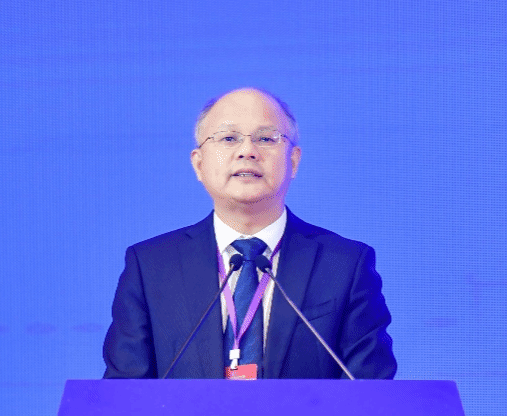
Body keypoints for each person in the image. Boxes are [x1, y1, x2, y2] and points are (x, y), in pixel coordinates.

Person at [102, 88, 396, 379]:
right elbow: (124, 392)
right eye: (228, 138)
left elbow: (369, 390)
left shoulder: (345, 265)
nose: (247, 151)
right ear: (199, 163)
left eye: (266, 139)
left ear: (293, 161)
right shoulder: (151, 266)